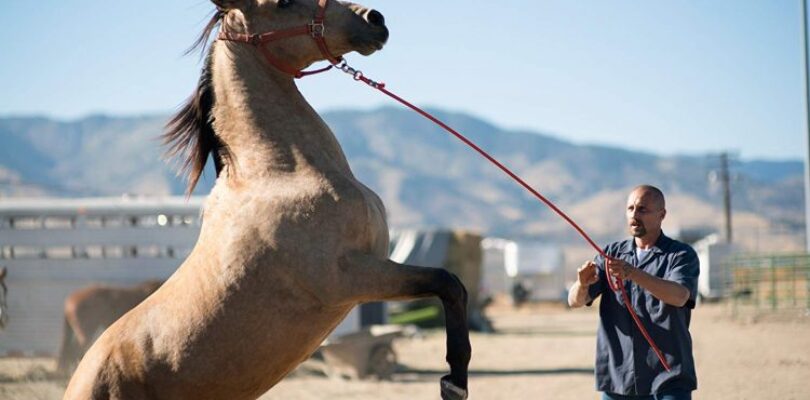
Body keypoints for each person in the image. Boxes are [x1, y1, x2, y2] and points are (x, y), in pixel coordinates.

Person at [568, 185, 699, 400]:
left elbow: (680, 296)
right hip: (619, 380)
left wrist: (633, 273)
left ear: (662, 214)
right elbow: (574, 301)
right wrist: (581, 284)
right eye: (631, 209)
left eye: (643, 210)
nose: (635, 215)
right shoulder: (610, 254)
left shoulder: (681, 255)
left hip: (667, 379)